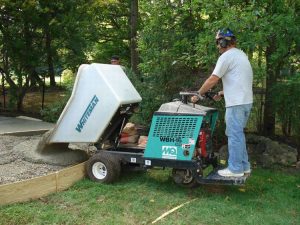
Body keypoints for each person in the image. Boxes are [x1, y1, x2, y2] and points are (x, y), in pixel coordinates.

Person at [191, 28, 253, 177]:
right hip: (245, 102)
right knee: (239, 134)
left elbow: (213, 78)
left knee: (234, 135)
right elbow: (241, 80)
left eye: (219, 42)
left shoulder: (227, 56)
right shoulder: (241, 55)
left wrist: (199, 94)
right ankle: (244, 166)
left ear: (224, 41)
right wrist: (223, 93)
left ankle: (235, 169)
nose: (218, 46)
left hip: (236, 104)